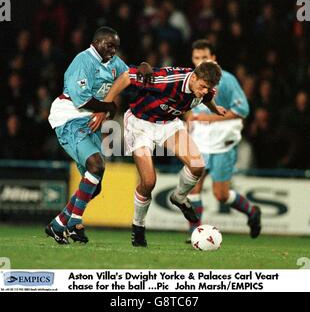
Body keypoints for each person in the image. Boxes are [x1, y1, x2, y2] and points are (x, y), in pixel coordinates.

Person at [103, 60, 226, 246]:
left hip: (168, 125)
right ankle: (138, 227)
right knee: (149, 181)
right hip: (140, 124)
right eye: (202, 86)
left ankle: (179, 197)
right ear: (194, 77)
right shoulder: (168, 80)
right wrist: (105, 105)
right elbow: (127, 76)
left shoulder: (204, 89)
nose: (203, 91)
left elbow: (207, 97)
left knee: (197, 166)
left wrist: (216, 110)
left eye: (207, 88)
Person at [46, 26, 128, 244]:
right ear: (97, 42)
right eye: (109, 46)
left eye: (116, 47)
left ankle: (58, 224)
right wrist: (108, 107)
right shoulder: (83, 60)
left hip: (88, 120)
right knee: (96, 165)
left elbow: (129, 76)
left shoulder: (114, 63)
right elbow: (82, 100)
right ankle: (74, 223)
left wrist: (146, 67)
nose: (113, 51)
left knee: (95, 184)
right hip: (69, 116)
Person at [186, 40, 261, 241]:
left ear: (213, 58)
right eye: (196, 58)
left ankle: (252, 211)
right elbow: (189, 110)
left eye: (204, 57)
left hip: (222, 142)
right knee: (193, 186)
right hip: (199, 141)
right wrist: (189, 121)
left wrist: (207, 118)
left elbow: (242, 110)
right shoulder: (191, 79)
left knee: (221, 195)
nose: (200, 61)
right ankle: (195, 232)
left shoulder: (226, 80)